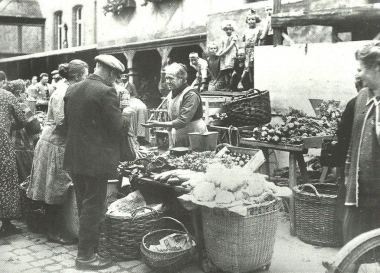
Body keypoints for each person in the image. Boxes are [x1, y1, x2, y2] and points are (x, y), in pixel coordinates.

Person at [64, 55, 127, 270]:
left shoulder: (72, 89)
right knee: (93, 208)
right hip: (96, 161)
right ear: (109, 72)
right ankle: (86, 257)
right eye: (115, 76)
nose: (115, 81)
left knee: (84, 205)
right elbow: (117, 127)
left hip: (75, 157)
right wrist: (125, 116)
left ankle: (89, 249)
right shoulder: (106, 91)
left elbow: (68, 123)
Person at [335, 42, 380, 245]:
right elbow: (354, 142)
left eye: (361, 69)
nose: (358, 74)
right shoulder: (362, 98)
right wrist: (347, 175)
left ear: (377, 68)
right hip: (360, 189)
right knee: (353, 243)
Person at [143, 63, 207, 148]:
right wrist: (171, 143)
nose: (168, 82)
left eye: (171, 78)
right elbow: (170, 117)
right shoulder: (171, 93)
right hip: (179, 135)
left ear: (181, 78)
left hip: (195, 134)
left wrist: (158, 124)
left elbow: (182, 121)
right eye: (166, 78)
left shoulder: (191, 95)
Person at [0, 72, 28, 238]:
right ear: (3, 81)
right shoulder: (7, 96)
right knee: (6, 180)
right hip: (2, 142)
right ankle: (6, 223)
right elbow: (22, 120)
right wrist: (11, 126)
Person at [6, 80, 41, 186]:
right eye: (25, 92)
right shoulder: (21, 106)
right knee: (26, 182)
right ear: (20, 93)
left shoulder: (4, 105)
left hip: (9, 148)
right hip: (22, 149)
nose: (26, 95)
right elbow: (35, 128)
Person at [242, 9, 262, 87]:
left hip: (255, 49)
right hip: (247, 50)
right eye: (249, 19)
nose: (251, 21)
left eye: (253, 19)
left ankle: (255, 83)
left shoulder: (258, 29)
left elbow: (260, 40)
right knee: (247, 67)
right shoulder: (246, 31)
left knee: (254, 66)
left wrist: (258, 49)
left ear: (256, 20)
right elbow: (244, 41)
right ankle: (249, 83)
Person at [219, 20, 238, 91]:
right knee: (225, 71)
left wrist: (223, 53)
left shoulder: (234, 36)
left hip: (231, 54)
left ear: (232, 30)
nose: (228, 31)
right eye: (227, 29)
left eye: (230, 29)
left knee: (231, 70)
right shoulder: (223, 37)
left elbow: (230, 46)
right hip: (224, 55)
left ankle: (232, 86)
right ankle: (227, 86)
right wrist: (218, 54)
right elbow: (222, 46)